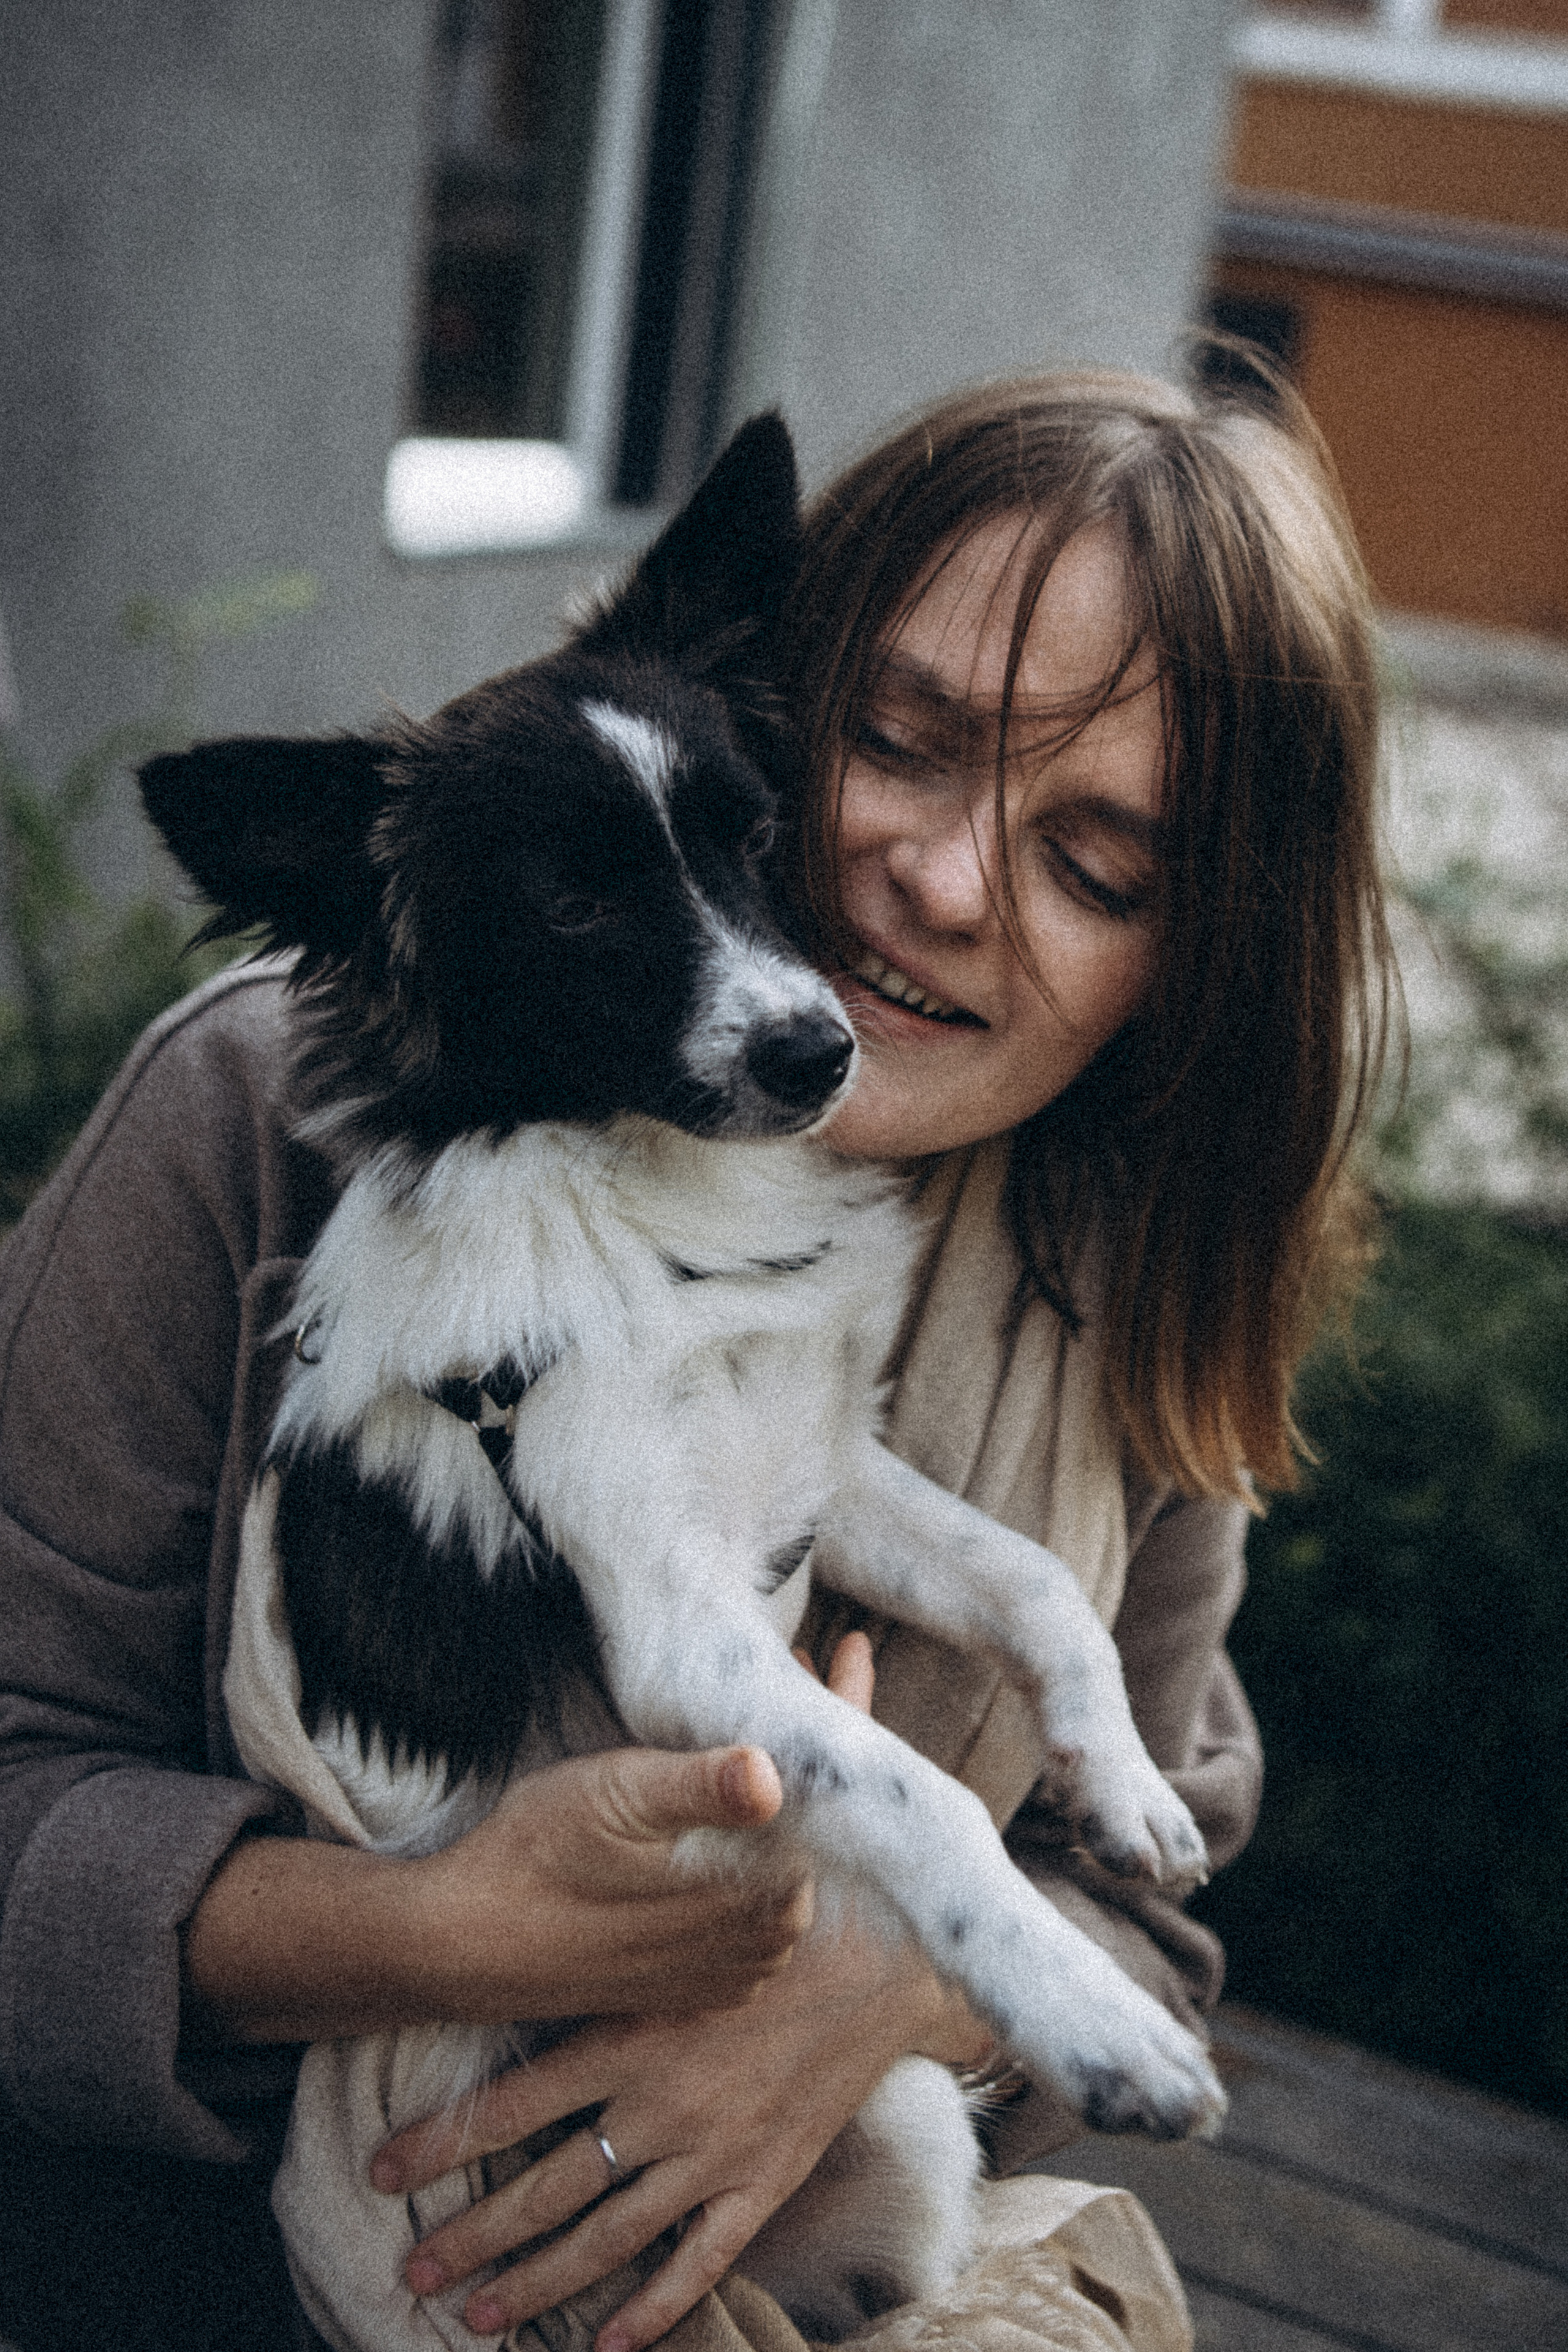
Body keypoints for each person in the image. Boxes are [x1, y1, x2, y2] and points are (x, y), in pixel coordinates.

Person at [0, 366, 1390, 2352]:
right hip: (215, 2269)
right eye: (903, 744)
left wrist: (886, 1990)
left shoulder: (1127, 1300)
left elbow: (1146, 1908)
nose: (947, 881)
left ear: (1205, 958)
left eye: (1102, 867)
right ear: (765, 696)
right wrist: (419, 1935)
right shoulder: (261, 1124)